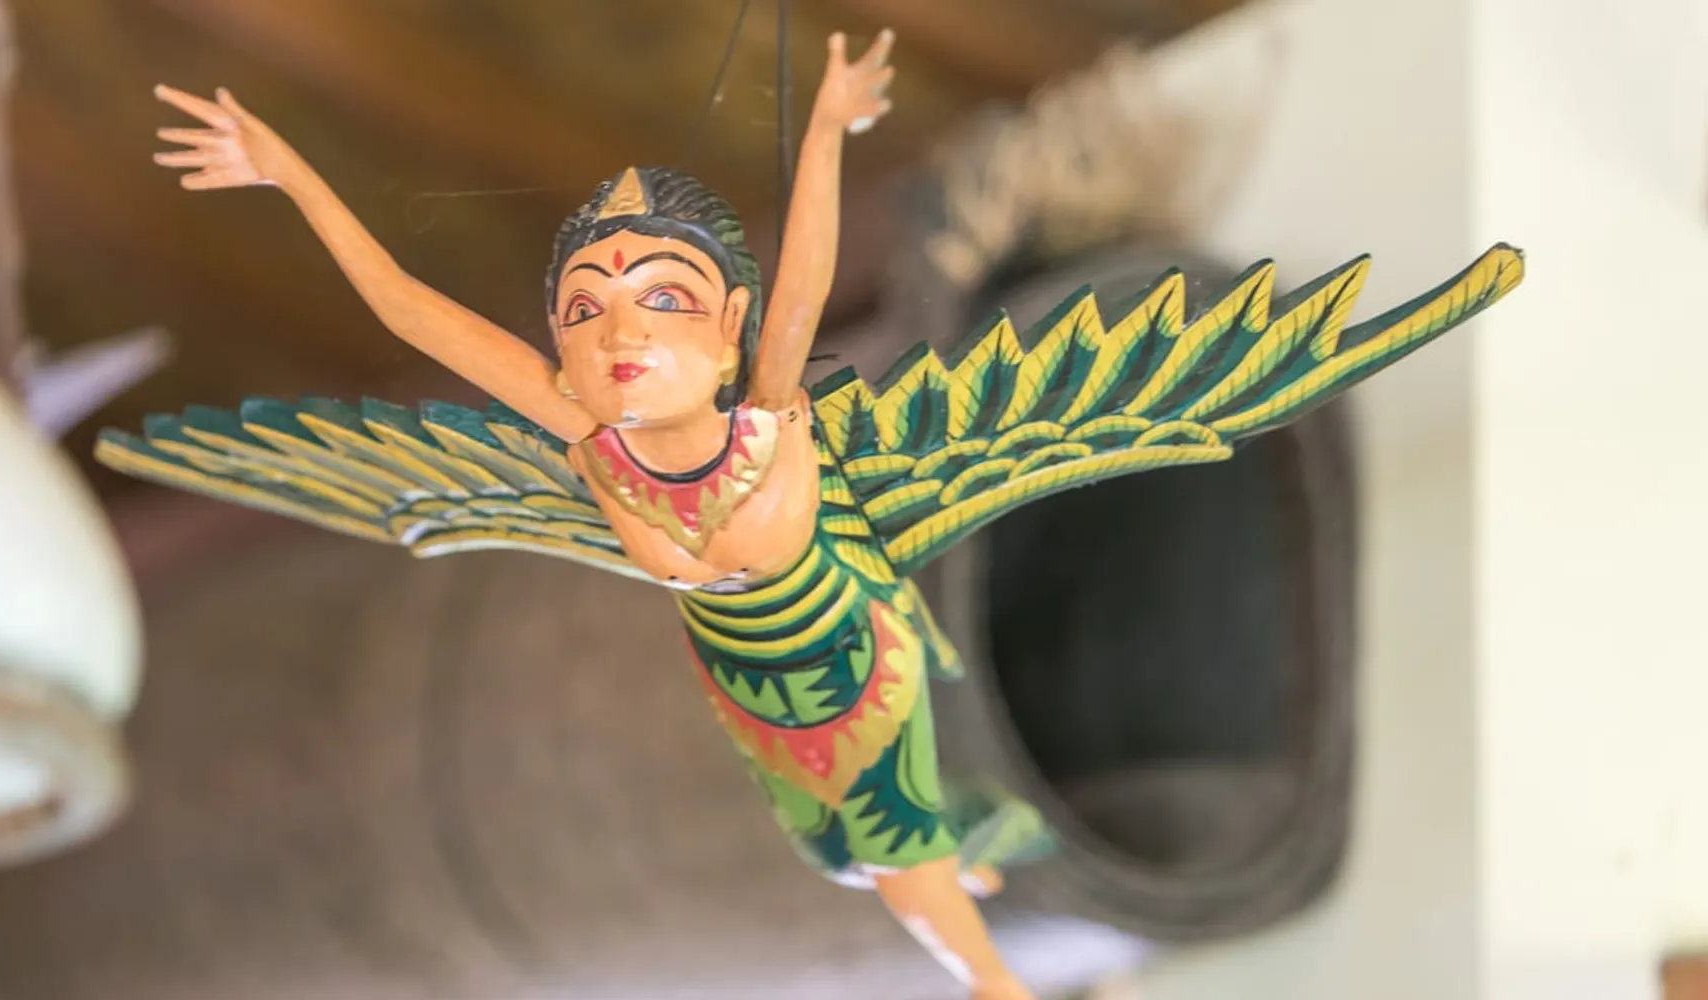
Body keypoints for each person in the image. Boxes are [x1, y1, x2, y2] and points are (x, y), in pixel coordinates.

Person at [113, 26, 1523, 1000]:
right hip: (756, 704)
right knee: (851, 852)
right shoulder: (585, 440)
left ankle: (988, 973)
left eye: (661, 300)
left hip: (859, 669)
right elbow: (416, 315)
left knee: (899, 865)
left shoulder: (774, 417)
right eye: (586, 309)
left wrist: (833, 134)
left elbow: (803, 277)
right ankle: (971, 874)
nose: (619, 330)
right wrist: (291, 175)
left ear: (724, 334)